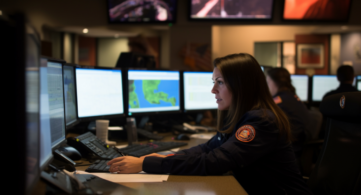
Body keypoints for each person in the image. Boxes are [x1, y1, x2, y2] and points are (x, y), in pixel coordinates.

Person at [107, 53, 313, 194]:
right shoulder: (244, 116)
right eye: (213, 82)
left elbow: (214, 161)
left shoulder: (260, 121)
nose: (213, 90)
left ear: (241, 86)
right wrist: (160, 157)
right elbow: (208, 148)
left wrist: (146, 164)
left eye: (220, 82)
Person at [266, 67, 309, 157]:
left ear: (275, 83)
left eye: (268, 82)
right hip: (297, 144)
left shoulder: (278, 102)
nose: (266, 86)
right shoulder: (292, 96)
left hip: (288, 148)